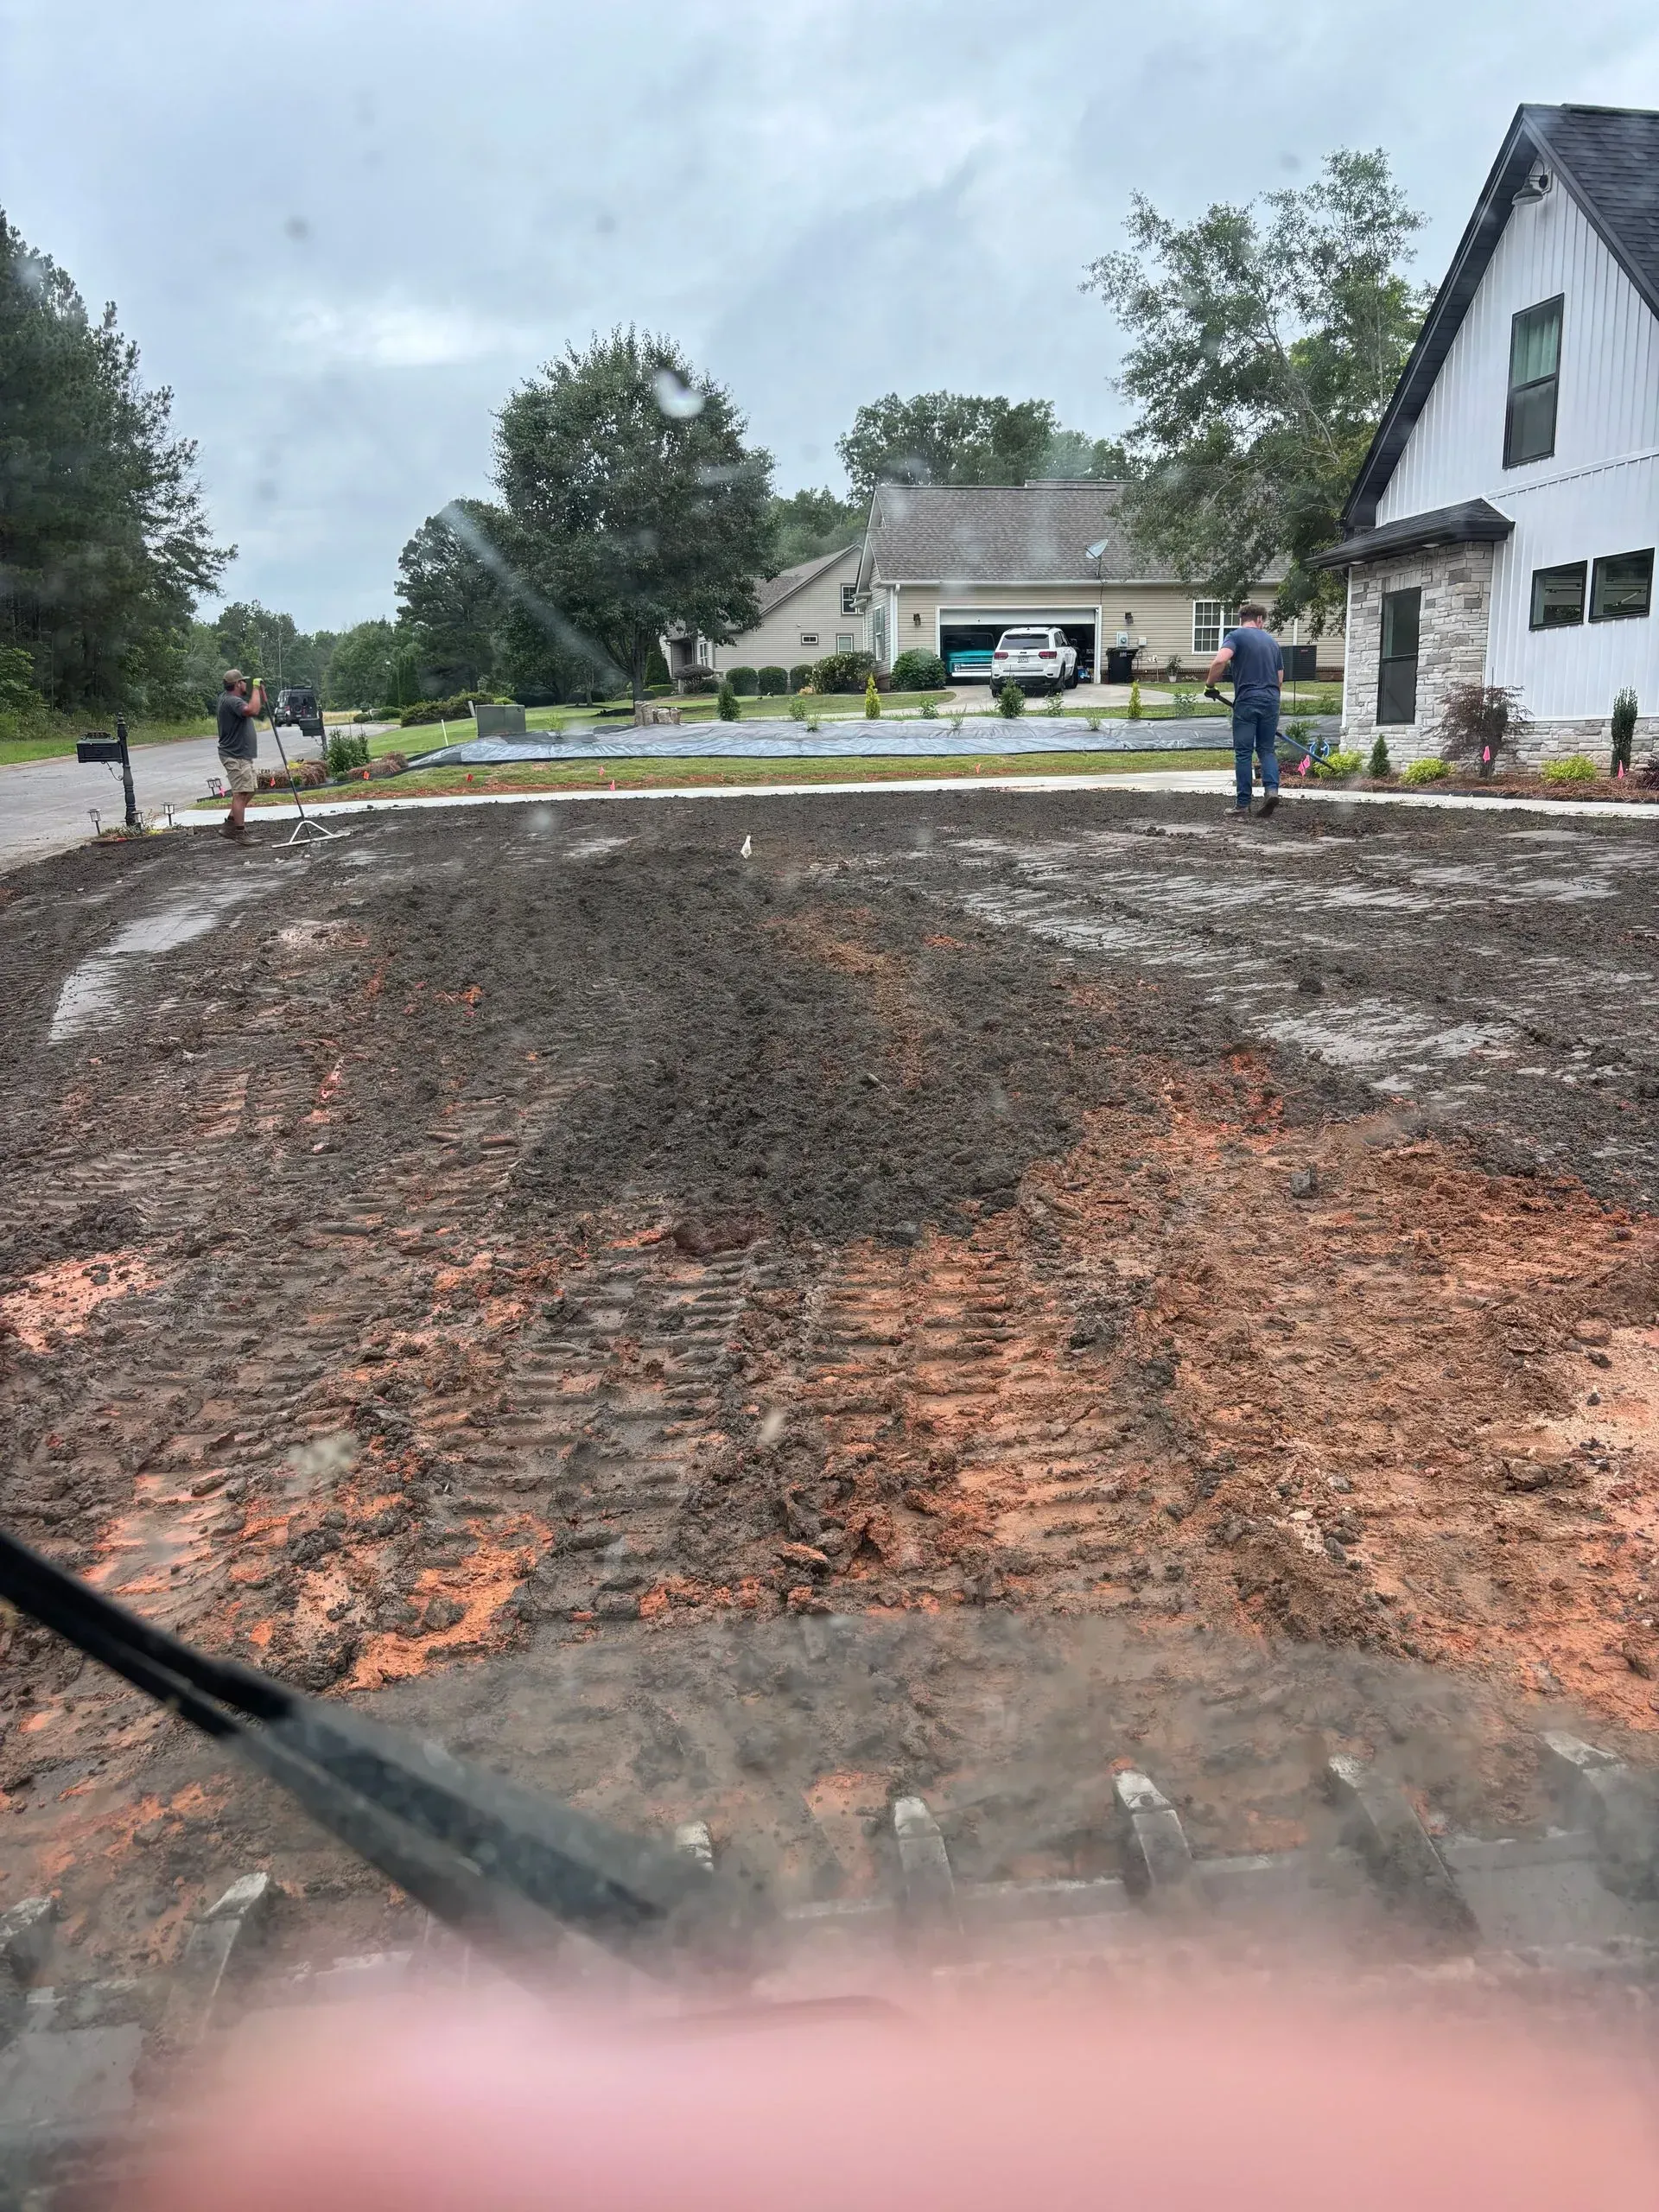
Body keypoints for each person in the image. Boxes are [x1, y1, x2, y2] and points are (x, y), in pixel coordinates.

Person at [1208, 605, 1282, 818]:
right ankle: (1271, 791)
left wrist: (1210, 685)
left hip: (1247, 700)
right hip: (1271, 700)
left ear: (1243, 618)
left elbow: (1221, 660)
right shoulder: (1272, 643)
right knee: (1267, 750)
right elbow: (1279, 679)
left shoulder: (1236, 636)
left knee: (1243, 753)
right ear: (1259, 619)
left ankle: (1242, 804)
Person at [216, 670, 266, 844]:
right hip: (234, 755)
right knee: (240, 793)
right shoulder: (232, 701)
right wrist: (256, 688)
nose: (245, 683)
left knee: (251, 789)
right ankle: (239, 832)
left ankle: (230, 824)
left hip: (241, 755)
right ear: (238, 684)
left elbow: (256, 706)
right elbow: (253, 710)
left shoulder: (227, 698)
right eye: (243, 682)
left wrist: (259, 693)